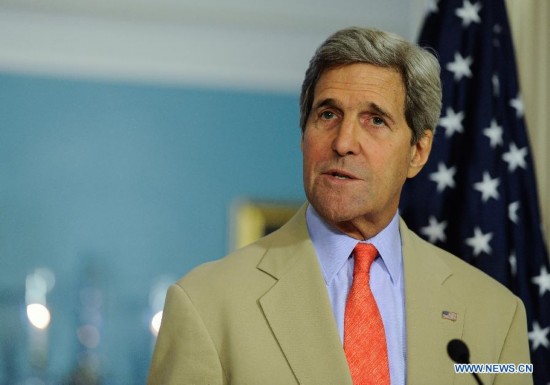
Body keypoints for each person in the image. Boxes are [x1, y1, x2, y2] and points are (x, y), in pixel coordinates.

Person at [147, 27, 532, 385]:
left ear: (418, 151)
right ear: (303, 134)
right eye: (328, 115)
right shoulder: (206, 303)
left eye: (375, 120)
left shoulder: (496, 315)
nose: (344, 141)